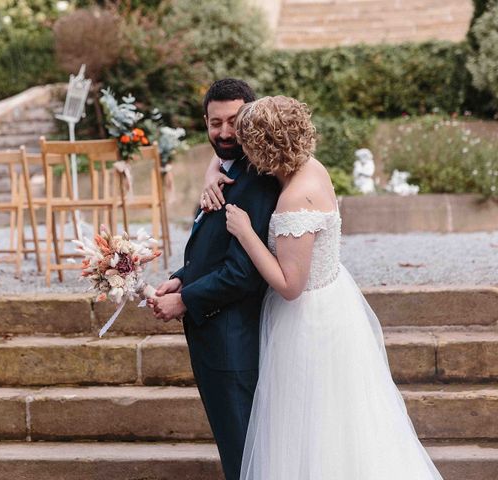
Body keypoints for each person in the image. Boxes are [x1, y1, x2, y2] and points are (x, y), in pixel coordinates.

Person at [216, 95, 444, 479]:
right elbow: (221, 159)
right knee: (340, 419)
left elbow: (290, 284)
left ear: (264, 147)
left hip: (309, 320)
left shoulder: (294, 199)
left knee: (316, 424)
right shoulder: (312, 168)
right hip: (335, 303)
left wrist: (244, 233)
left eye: (249, 144)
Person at [147, 78, 280, 480]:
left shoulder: (255, 182)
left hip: (232, 342)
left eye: (234, 122)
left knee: (244, 458)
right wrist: (180, 278)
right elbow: (217, 251)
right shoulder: (225, 171)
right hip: (216, 337)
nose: (224, 133)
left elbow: (244, 272)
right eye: (214, 122)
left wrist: (185, 301)